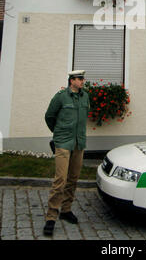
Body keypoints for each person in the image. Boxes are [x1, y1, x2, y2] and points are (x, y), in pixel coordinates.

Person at [43, 70, 90, 237]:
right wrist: (59, 134)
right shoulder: (61, 97)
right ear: (72, 81)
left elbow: (84, 117)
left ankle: (66, 209)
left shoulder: (85, 97)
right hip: (63, 143)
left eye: (83, 78)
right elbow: (49, 116)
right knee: (60, 180)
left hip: (79, 143)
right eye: (80, 78)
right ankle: (51, 216)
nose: (83, 81)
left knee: (73, 178)